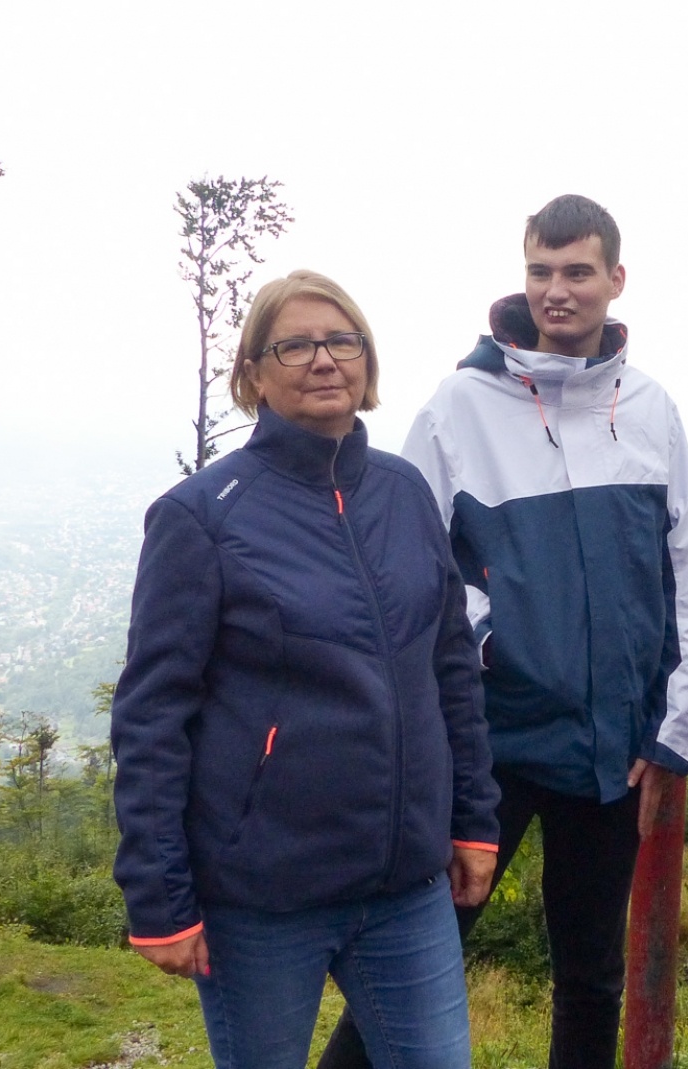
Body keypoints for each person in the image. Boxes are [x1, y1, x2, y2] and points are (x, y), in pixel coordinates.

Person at [318, 194, 688, 1069]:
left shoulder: (650, 407)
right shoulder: (461, 404)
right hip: (491, 740)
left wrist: (672, 732)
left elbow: (685, 568)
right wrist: (493, 643)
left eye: (577, 272)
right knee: (423, 956)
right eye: (540, 270)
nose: (556, 291)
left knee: (591, 974)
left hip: (614, 747)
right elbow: (408, 556)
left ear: (615, 278)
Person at [111, 269, 501, 1069]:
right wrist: (159, 895)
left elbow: (451, 667)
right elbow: (153, 715)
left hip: (406, 887)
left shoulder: (403, 492)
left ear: (366, 359)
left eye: (341, 339)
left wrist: (473, 818)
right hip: (262, 896)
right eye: (294, 344)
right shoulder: (202, 516)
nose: (323, 359)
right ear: (253, 373)